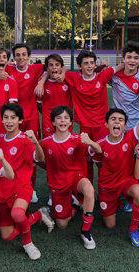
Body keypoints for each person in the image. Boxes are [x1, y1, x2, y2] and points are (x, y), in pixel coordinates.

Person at [36, 50, 124, 183]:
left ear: (95, 64)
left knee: (104, 159)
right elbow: (57, 68)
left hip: (101, 126)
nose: (89, 66)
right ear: (79, 66)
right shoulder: (74, 78)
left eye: (92, 63)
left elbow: (122, 65)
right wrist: (41, 82)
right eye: (86, 63)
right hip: (84, 126)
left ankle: (107, 188)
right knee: (85, 160)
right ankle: (85, 191)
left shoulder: (103, 75)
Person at [0, 104, 53, 260]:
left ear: (20, 120)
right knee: (6, 236)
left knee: (17, 213)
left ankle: (28, 243)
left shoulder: (25, 140)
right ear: (2, 120)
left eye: (13, 118)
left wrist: (36, 142)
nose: (9, 121)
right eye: (6, 117)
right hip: (4, 191)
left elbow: (40, 159)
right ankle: (38, 215)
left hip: (22, 188)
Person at [93, 90, 139, 247]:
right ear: (107, 124)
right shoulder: (100, 144)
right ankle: (117, 201)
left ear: (125, 125)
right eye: (113, 119)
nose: (117, 122)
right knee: (110, 225)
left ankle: (134, 229)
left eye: (120, 120)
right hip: (107, 186)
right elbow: (98, 163)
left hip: (126, 181)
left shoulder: (130, 136)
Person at [0, 43, 44, 203]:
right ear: (14, 59)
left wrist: (41, 82)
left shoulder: (35, 69)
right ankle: (3, 186)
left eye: (24, 54)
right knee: (9, 152)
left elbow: (52, 67)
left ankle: (30, 188)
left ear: (29, 57)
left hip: (29, 118)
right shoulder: (8, 69)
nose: (21, 57)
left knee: (30, 154)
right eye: (18, 55)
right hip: (11, 119)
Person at [36, 106, 102, 250]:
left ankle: (86, 231)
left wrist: (90, 142)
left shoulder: (78, 139)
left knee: (89, 189)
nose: (63, 121)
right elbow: (38, 160)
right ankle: (75, 206)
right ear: (53, 122)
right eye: (59, 118)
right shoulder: (46, 142)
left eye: (66, 118)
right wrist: (50, 169)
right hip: (58, 183)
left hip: (76, 178)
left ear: (71, 122)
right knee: (61, 224)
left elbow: (98, 150)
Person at [37, 54, 73, 139]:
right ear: (47, 67)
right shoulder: (41, 84)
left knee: (65, 144)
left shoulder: (68, 80)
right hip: (48, 121)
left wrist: (63, 73)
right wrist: (48, 115)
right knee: (48, 145)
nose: (54, 67)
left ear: (61, 67)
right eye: (51, 65)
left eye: (57, 65)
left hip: (65, 119)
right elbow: (39, 104)